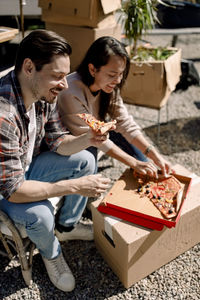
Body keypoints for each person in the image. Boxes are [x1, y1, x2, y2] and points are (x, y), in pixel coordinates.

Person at [0, 30, 111, 292]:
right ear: (29, 67)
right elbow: (13, 190)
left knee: (85, 159)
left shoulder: (41, 93)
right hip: (5, 190)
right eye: (58, 75)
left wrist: (90, 138)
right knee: (40, 216)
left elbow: (58, 140)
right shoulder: (3, 116)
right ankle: (52, 253)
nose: (64, 84)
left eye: (65, 75)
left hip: (25, 170)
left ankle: (66, 226)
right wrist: (73, 186)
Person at [58, 36, 172, 178]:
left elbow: (125, 123)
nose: (117, 80)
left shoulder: (109, 87)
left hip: (98, 134)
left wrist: (154, 154)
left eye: (121, 74)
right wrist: (133, 162)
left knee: (145, 162)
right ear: (92, 69)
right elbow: (96, 139)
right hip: (80, 141)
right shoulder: (71, 92)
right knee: (95, 166)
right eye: (112, 74)